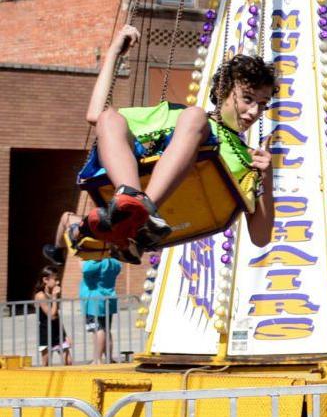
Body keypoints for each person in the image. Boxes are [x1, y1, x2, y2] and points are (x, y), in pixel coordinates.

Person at [62, 24, 276, 259]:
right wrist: (114, 53)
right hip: (146, 191)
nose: (254, 111)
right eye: (247, 99)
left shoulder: (247, 159)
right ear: (224, 90)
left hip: (192, 212)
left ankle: (137, 214)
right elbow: (97, 115)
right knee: (110, 117)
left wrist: (266, 177)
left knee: (194, 116)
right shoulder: (181, 117)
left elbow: (261, 238)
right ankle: (134, 207)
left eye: (262, 104)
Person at [80, 253, 122, 362]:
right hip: (108, 297)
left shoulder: (96, 262)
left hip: (94, 300)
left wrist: (86, 258)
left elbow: (85, 269)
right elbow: (118, 267)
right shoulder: (114, 262)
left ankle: (97, 358)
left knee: (98, 329)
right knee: (106, 330)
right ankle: (109, 358)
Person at [34, 267, 69, 366]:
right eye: (55, 279)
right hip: (46, 333)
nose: (58, 283)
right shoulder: (40, 295)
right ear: (45, 280)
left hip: (58, 332)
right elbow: (52, 316)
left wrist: (65, 335)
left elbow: (57, 317)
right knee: (46, 364)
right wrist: (54, 297)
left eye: (58, 279)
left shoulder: (52, 294)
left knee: (68, 361)